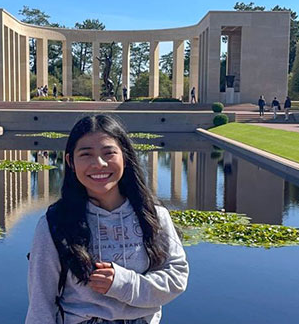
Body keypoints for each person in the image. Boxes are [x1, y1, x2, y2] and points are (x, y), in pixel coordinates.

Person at [26, 115, 189, 324]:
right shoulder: (54, 223)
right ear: (70, 162)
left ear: (125, 156)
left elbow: (177, 277)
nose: (99, 164)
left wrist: (124, 284)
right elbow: (41, 304)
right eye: (86, 154)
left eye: (109, 153)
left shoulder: (153, 216)